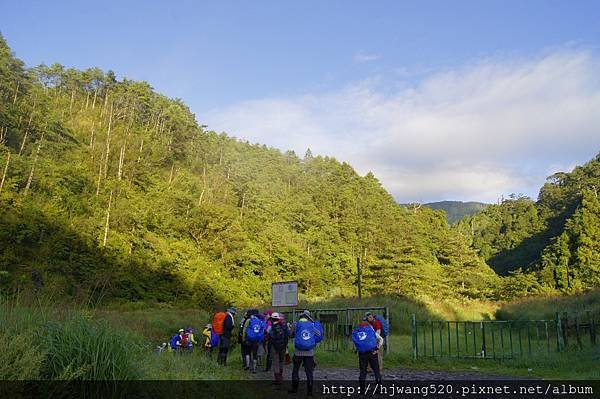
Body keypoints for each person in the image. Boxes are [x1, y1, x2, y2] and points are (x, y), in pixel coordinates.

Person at [288, 310, 322, 396]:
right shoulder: (311, 325)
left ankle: (294, 389)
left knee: (295, 370)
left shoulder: (296, 324)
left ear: (301, 317)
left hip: (298, 352)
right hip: (309, 353)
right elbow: (318, 334)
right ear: (308, 317)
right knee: (309, 372)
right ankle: (309, 391)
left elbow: (290, 334)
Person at [352, 320, 383, 392]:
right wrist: (378, 347)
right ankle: (379, 388)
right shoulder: (371, 330)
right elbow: (381, 339)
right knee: (376, 370)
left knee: (363, 371)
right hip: (373, 352)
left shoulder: (357, 332)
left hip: (362, 353)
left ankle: (362, 389)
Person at [267, 312, 289, 386]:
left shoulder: (271, 327)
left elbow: (267, 334)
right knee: (281, 361)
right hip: (283, 346)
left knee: (276, 362)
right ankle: (281, 375)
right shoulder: (284, 326)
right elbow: (287, 335)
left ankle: (277, 379)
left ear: (272, 319)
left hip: (274, 347)